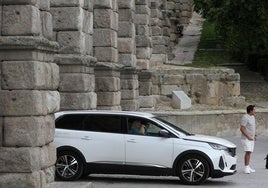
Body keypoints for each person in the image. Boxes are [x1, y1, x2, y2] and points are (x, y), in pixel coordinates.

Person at [240, 104, 257, 174]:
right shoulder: (245, 117)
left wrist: (255, 135)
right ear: (250, 110)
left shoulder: (253, 117)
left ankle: (248, 166)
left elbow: (253, 127)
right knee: (248, 152)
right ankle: (246, 167)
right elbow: (242, 128)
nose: (255, 111)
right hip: (246, 138)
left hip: (251, 138)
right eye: (254, 110)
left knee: (250, 152)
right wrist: (248, 136)